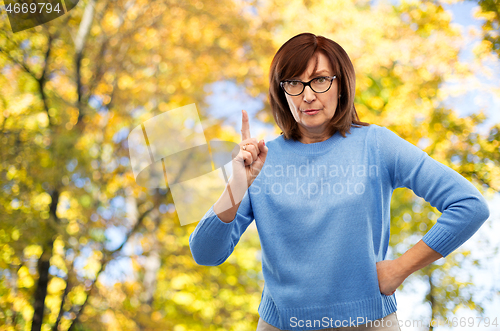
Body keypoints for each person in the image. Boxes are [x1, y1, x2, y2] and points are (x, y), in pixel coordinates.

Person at [188, 32, 490, 331]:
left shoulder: (376, 144)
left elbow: (469, 205)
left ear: (341, 85)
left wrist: (399, 268)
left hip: (369, 323)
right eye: (294, 82)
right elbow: (205, 254)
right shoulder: (259, 160)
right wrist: (237, 185)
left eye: (319, 80)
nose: (307, 95)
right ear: (282, 92)